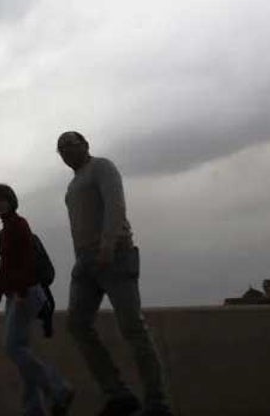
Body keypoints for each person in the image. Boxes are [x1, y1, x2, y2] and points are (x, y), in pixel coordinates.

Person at [56, 131, 172, 416]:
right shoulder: (72, 185)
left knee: (133, 328)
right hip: (85, 263)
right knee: (78, 324)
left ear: (86, 145)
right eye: (61, 148)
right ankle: (118, 394)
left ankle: (157, 403)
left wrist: (108, 244)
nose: (66, 150)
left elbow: (115, 205)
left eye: (71, 144)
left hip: (114, 255)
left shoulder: (102, 167)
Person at [0, 183, 76, 416]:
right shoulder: (4, 231)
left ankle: (59, 389)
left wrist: (23, 293)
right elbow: (4, 269)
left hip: (26, 293)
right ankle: (34, 409)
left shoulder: (19, 224)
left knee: (13, 347)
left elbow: (28, 260)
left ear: (11, 200)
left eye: (2, 199)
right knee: (22, 350)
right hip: (15, 295)